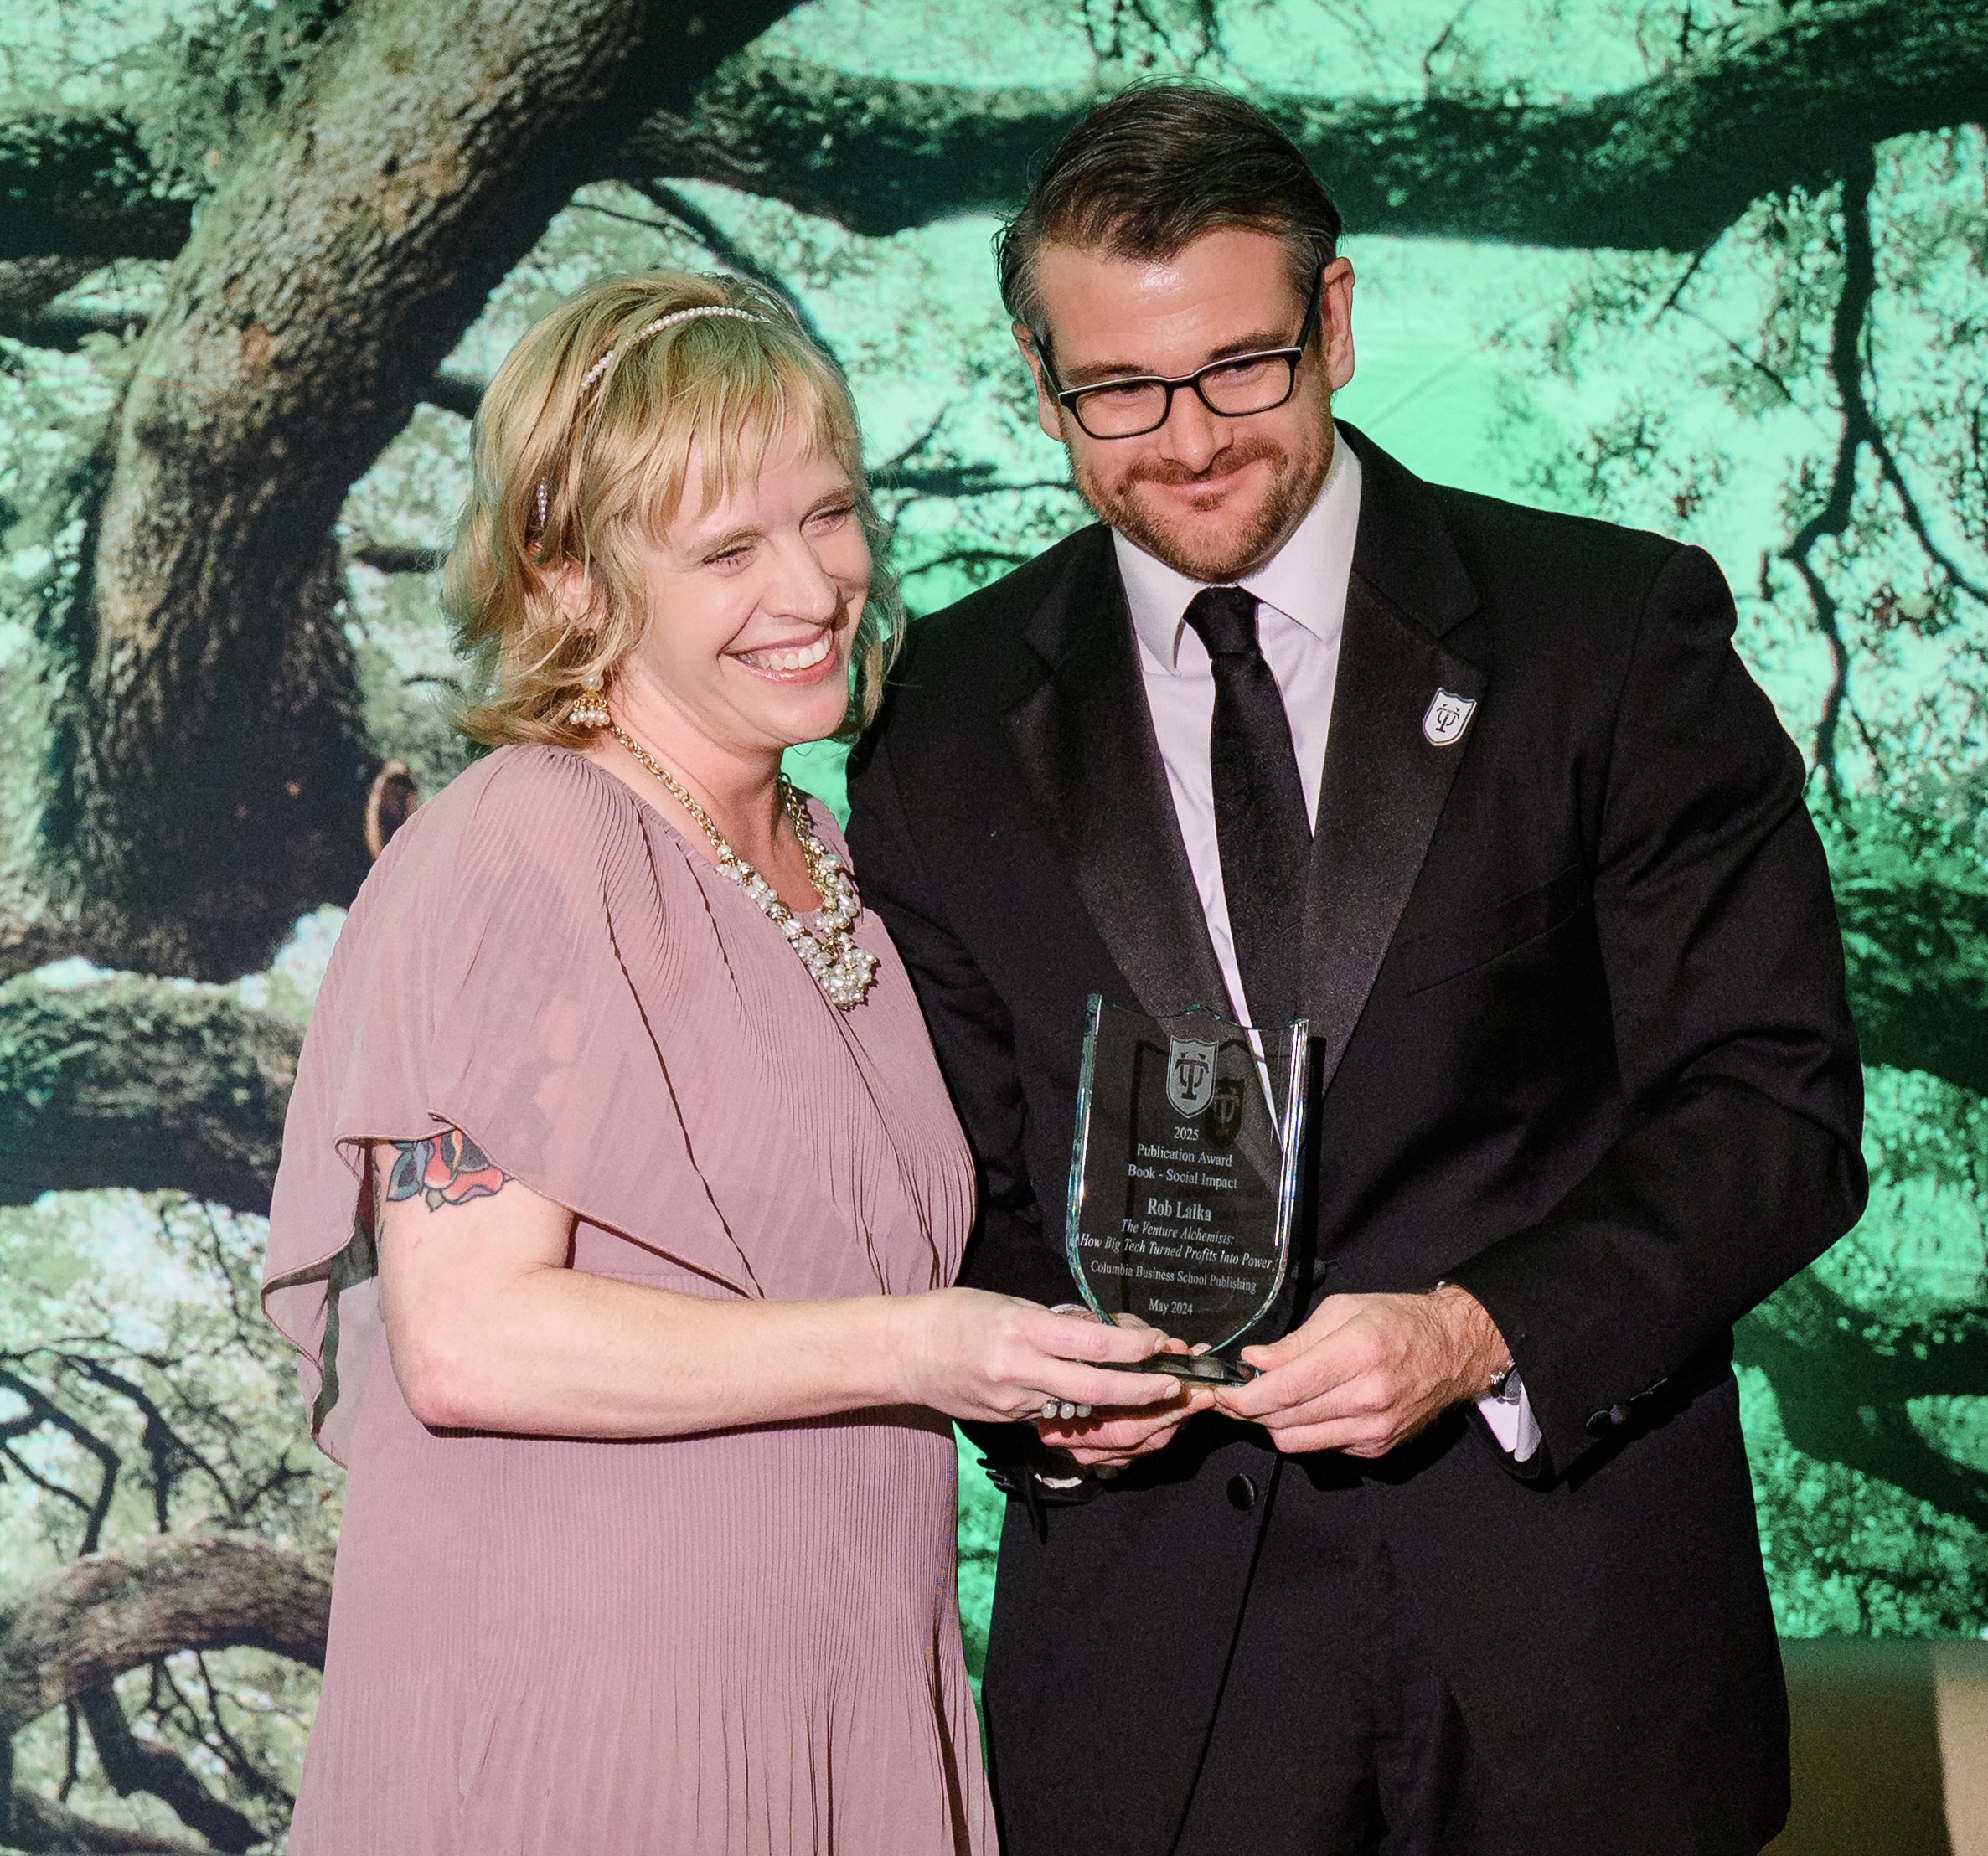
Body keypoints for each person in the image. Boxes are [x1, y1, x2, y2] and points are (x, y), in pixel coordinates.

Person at [844, 85, 1867, 1856]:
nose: (1184, 443)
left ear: (1329, 317)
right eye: (1117, 393)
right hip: (1154, 1692)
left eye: (1237, 367)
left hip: (1572, 1657)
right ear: (1039, 379)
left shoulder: (1610, 636)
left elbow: (1773, 1109)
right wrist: (1045, 1397)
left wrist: (1476, 1330)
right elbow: (970, 1178)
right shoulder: (930, 718)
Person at [260, 271, 1184, 1856]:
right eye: (726, 551)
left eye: (827, 516)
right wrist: (923, 1348)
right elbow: (471, 1341)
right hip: (595, 1739)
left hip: (843, 1698)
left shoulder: (834, 861)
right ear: (566, 582)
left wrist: (1030, 1379)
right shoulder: (526, 844)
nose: (814, 587)